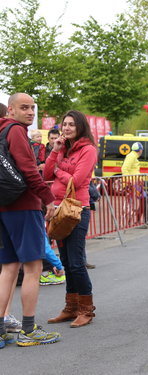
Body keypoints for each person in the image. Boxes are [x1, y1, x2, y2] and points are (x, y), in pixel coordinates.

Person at [0, 93, 60, 347]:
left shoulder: (2, 131)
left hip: (3, 207)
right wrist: (48, 199)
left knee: (9, 268)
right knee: (33, 268)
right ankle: (28, 329)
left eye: (33, 107)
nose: (30, 112)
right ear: (10, 110)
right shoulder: (15, 132)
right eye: (24, 107)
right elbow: (27, 170)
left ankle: (1, 329)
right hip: (24, 206)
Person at [44, 110, 97, 328]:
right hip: (58, 210)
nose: (66, 128)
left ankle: (86, 309)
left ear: (80, 127)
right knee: (65, 261)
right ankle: (71, 306)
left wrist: (59, 172)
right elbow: (46, 174)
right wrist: (55, 152)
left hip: (76, 209)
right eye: (64, 124)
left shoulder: (88, 150)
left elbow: (76, 181)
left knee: (76, 263)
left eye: (71, 125)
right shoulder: (63, 149)